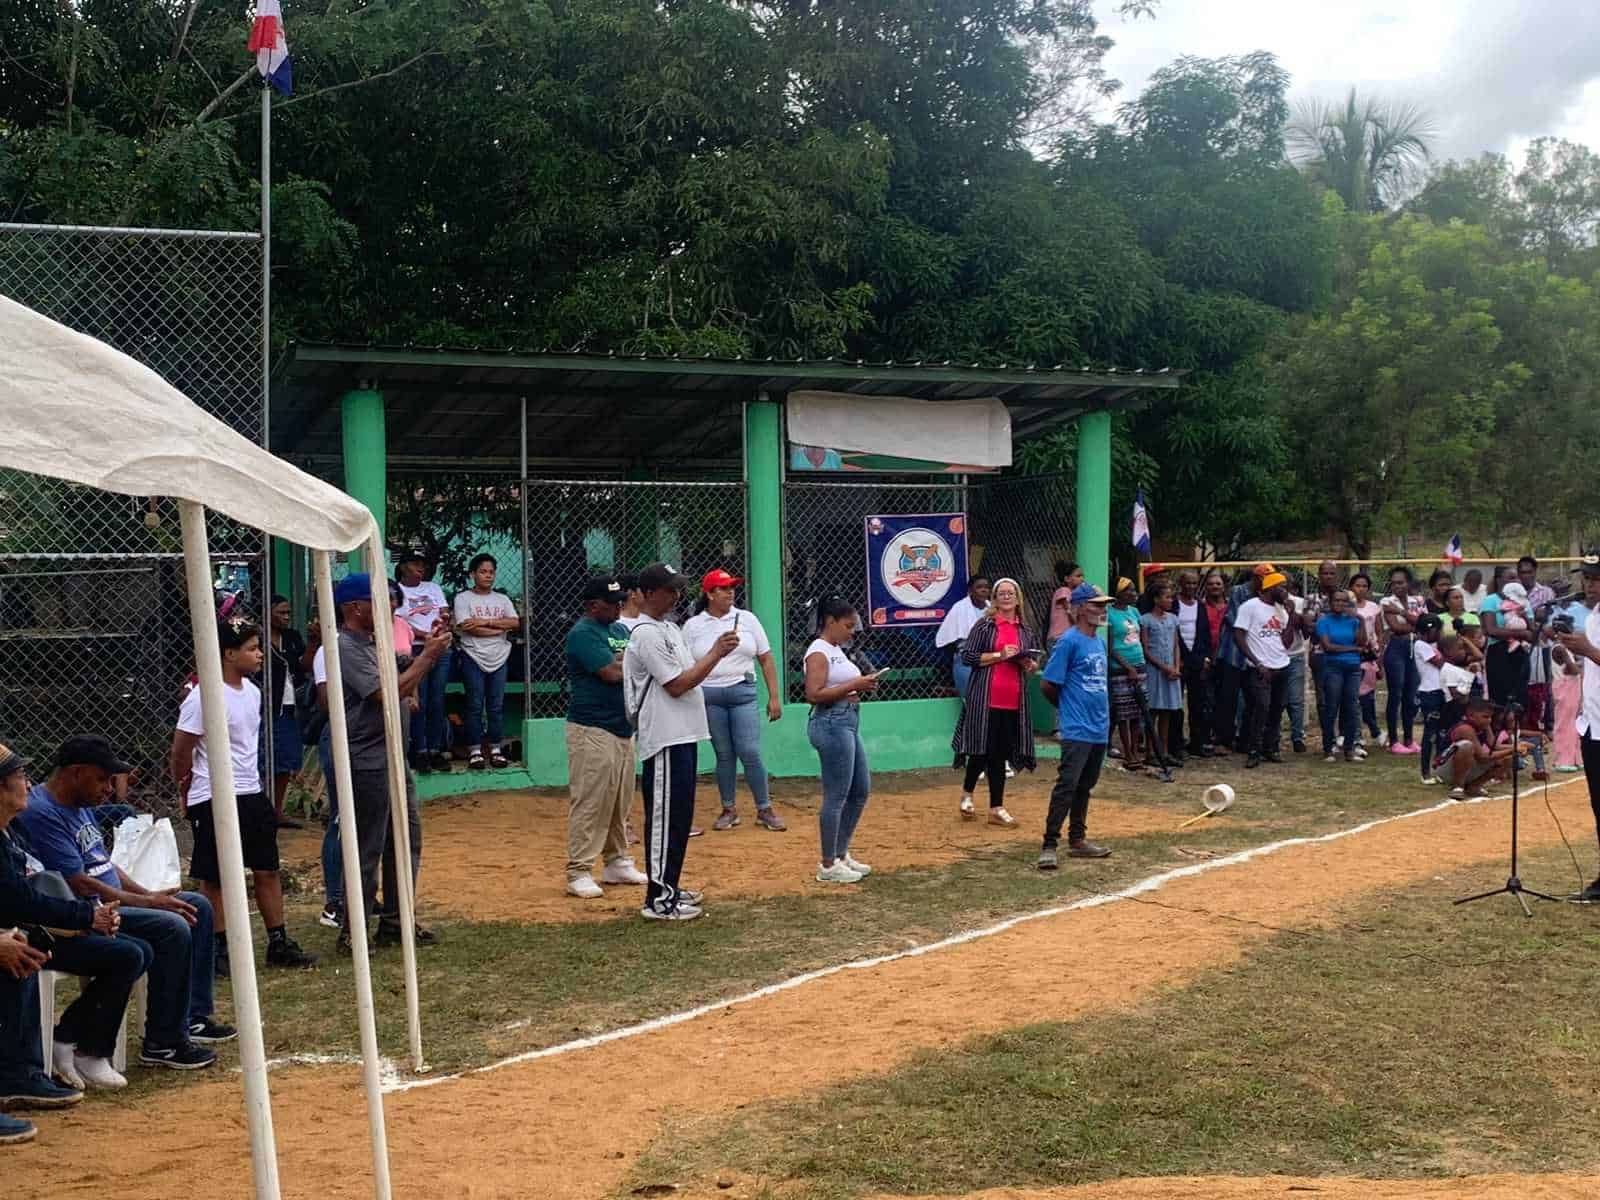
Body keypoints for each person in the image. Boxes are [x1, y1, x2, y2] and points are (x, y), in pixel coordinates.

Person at [18, 735, 226, 1070]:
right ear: (76, 772)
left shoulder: (80, 807)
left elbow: (104, 865)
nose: (110, 789)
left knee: (196, 905)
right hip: (86, 914)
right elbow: (80, 882)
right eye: (102, 779)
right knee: (172, 925)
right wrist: (148, 904)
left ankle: (192, 1018)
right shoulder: (43, 813)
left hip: (114, 902)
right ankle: (164, 1041)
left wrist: (148, 896)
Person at [172, 616, 318, 977]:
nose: (259, 655)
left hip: (250, 791)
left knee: (266, 868)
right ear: (228, 652)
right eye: (252, 649)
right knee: (216, 876)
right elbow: (181, 750)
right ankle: (219, 947)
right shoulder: (203, 696)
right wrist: (185, 788)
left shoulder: (252, 693)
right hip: (213, 794)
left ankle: (278, 940)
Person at [1, 740, 134, 1102]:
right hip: (37, 925)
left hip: (41, 924)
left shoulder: (10, 833)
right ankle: (25, 1069)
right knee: (23, 953)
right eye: (20, 777)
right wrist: (87, 916)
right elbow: (21, 899)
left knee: (129, 950)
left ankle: (36, 1064)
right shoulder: (34, 819)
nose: (28, 785)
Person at [333, 574, 450, 951]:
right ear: (356, 608)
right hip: (368, 760)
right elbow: (387, 693)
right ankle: (354, 931)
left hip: (394, 758)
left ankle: (396, 922)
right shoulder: (346, 648)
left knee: (406, 841)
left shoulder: (374, 643)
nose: (392, 608)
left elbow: (405, 667)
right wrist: (428, 659)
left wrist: (428, 648)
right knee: (369, 846)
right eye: (381, 601)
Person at [623, 563, 738, 919]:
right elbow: (677, 683)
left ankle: (669, 886)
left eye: (677, 589)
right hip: (665, 736)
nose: (676, 595)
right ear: (649, 593)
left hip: (683, 733)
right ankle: (658, 900)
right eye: (669, 589)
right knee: (663, 820)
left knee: (679, 818)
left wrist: (715, 656)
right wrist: (716, 653)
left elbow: (689, 674)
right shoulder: (646, 634)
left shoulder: (669, 629)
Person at [562, 577, 649, 899]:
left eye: (620, 601)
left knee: (619, 801)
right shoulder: (583, 633)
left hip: (622, 727)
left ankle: (617, 860)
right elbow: (611, 673)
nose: (619, 606)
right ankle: (578, 870)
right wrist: (633, 664)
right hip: (591, 728)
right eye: (612, 602)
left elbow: (630, 665)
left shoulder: (619, 631)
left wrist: (629, 663)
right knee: (591, 801)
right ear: (592, 604)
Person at [683, 569, 786, 833]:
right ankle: (729, 809)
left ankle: (764, 808)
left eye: (732, 587)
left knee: (749, 750)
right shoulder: (694, 626)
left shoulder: (747, 619)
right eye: (723, 588)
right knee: (724, 754)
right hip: (709, 695)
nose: (730, 592)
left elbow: (765, 657)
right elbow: (684, 663)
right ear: (709, 594)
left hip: (742, 691)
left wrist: (774, 696)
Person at [803, 596, 882, 884]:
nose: (852, 632)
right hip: (832, 722)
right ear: (830, 622)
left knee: (860, 789)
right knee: (836, 795)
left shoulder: (836, 649)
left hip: (847, 720)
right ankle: (827, 864)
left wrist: (863, 684)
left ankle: (840, 853)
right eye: (848, 626)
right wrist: (855, 684)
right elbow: (813, 693)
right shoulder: (818, 651)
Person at [1038, 583, 1116, 867]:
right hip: (1077, 727)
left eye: (1104, 605)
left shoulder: (1098, 641)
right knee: (1067, 784)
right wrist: (1068, 709)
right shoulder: (1069, 641)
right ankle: (1049, 844)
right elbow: (1048, 684)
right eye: (1097, 605)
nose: (1102, 609)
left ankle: (1078, 839)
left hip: (1098, 727)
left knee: (1085, 785)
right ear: (1081, 608)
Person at [951, 578, 1039, 825]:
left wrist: (1029, 664)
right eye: (1001, 593)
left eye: (1011, 592)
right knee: (981, 749)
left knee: (1000, 754)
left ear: (1018, 597)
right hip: (985, 697)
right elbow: (968, 655)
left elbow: (1033, 661)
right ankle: (967, 795)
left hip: (1013, 699)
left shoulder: (1025, 630)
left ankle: (996, 808)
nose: (1006, 596)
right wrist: (999, 656)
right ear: (995, 598)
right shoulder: (985, 625)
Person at [1555, 555, 1600, 899]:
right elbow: (1588, 670)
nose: (1590, 584)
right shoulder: (1594, 618)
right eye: (1586, 577)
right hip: (1593, 726)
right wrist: (1570, 656)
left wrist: (1588, 649)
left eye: (1596, 578)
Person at [454, 553, 520, 770]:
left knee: (496, 705)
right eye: (483, 571)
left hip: (500, 657)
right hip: (473, 655)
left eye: (491, 572)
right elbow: (466, 627)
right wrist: (498, 628)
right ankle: (474, 750)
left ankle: (495, 749)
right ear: (473, 574)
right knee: (474, 703)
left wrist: (485, 622)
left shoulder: (502, 599)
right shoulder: (463, 598)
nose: (488, 576)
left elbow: (514, 622)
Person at [394, 550, 453, 773]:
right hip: (414, 649)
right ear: (403, 566)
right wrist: (426, 636)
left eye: (423, 563)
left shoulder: (433, 588)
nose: (421, 566)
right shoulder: (396, 591)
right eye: (415, 563)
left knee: (437, 700)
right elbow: (400, 622)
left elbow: (444, 612)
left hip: (439, 648)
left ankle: (435, 750)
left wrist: (442, 623)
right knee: (420, 700)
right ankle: (419, 750)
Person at [1234, 571, 1294, 769]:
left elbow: (1286, 642)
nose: (1285, 592)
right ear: (1271, 588)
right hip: (1260, 668)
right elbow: (1239, 635)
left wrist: (1291, 616)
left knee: (1277, 709)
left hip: (1282, 665)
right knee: (1261, 708)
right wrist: (1257, 662)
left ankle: (1271, 747)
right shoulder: (1250, 606)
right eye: (1282, 587)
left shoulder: (1281, 610)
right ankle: (1253, 750)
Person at [1214, 565, 1273, 754]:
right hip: (1233, 654)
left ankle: (1246, 740)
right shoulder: (1240, 591)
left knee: (1253, 700)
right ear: (1256, 578)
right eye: (1265, 578)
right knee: (1228, 699)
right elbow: (1236, 620)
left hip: (1254, 656)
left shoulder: (1268, 597)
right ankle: (1225, 740)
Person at [265, 595, 312, 828]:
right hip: (264, 705)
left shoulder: (291, 638)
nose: (285, 617)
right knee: (263, 758)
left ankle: (277, 810)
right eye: (280, 612)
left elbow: (304, 665)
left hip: (289, 703)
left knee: (286, 759)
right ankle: (261, 809)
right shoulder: (257, 638)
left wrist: (314, 643)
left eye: (287, 613)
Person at [1314, 589, 1365, 763]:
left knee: (1351, 708)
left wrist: (1362, 621)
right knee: (1331, 708)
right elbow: (1328, 646)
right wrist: (1352, 649)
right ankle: (1328, 747)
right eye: (1337, 600)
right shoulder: (1324, 621)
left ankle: (1349, 748)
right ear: (1331, 601)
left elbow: (1362, 642)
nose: (1340, 604)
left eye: (1344, 601)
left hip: (1353, 668)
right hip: (1333, 667)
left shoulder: (1352, 621)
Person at [1380, 567, 1427, 754]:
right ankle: (1393, 739)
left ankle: (1409, 738)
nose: (1397, 586)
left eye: (1400, 582)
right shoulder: (1386, 601)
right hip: (1396, 648)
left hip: (1413, 649)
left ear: (1408, 583)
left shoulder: (1418, 600)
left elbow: (1425, 624)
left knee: (1410, 694)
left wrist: (1402, 612)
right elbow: (1395, 627)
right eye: (1393, 583)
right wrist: (1414, 623)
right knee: (1396, 693)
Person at [1140, 582, 1184, 766]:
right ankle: (1150, 752)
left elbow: (1175, 645)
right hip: (1155, 671)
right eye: (1166, 597)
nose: (1170, 600)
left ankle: (1163, 751)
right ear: (1156, 599)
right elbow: (1146, 649)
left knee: (1167, 711)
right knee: (1153, 711)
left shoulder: (1173, 619)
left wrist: (1175, 667)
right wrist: (1164, 668)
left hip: (1171, 671)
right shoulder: (1145, 620)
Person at [1106, 578, 1146, 770]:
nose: (1133, 593)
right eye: (1129, 590)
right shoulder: (1110, 614)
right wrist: (1127, 667)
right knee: (1124, 712)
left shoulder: (1134, 611)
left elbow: (1141, 637)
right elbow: (1111, 647)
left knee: (1138, 711)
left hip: (1139, 664)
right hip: (1120, 668)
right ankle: (1127, 753)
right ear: (1120, 593)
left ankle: (1135, 750)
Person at [1439, 700, 1515, 800]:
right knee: (1466, 746)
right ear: (1471, 716)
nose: (1489, 720)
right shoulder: (1465, 729)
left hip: (1465, 767)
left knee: (1506, 757)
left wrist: (1518, 746)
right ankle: (1457, 787)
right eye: (1485, 717)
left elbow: (1494, 746)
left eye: (1490, 717)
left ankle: (1474, 787)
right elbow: (1482, 757)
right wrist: (1512, 749)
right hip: (1445, 770)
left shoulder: (1484, 726)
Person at [1190, 569, 1228, 757]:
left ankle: (1221, 739)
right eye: (1211, 584)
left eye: (1218, 584)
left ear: (1223, 587)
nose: (1214, 587)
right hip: (1206, 659)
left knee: (1224, 702)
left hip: (1226, 660)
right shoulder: (1200, 607)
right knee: (1206, 701)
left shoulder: (1230, 607)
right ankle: (1203, 739)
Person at [935, 576, 992, 700]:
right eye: (979, 587)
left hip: (991, 659)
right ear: (970, 590)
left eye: (986, 587)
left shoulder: (993, 609)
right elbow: (947, 638)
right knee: (972, 699)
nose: (983, 590)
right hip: (967, 660)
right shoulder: (959, 608)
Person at [1484, 576, 1535, 709]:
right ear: (1500, 580)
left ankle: (1516, 728)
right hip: (1499, 652)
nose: (1516, 581)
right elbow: (1491, 630)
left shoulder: (1524, 602)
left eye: (1517, 578)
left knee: (1520, 696)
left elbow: (1532, 632)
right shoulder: (1491, 600)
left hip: (1521, 652)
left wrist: (1523, 616)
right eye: (1511, 577)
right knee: (1500, 698)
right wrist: (1521, 634)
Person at [1349, 572, 1383, 752]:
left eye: (1364, 586)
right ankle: (1357, 735)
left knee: (1367, 696)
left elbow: (1379, 632)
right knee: (1353, 697)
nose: (1360, 589)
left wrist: (1379, 656)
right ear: (1351, 588)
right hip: (1354, 654)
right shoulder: (1347, 607)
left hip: (1370, 655)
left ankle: (1373, 730)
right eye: (1357, 585)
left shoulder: (1373, 607)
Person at [1412, 615, 1447, 783]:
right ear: (1431, 630)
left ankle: (1439, 769)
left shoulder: (1431, 645)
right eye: (1438, 631)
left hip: (1440, 690)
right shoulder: (1420, 645)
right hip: (1429, 692)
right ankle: (1425, 772)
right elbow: (1440, 663)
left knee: (1441, 733)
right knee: (1430, 733)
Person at [1046, 561, 1083, 652]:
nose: (1082, 579)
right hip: (1059, 638)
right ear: (1067, 579)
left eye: (1082, 576)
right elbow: (1070, 612)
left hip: (1064, 638)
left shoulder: (1073, 594)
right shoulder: (1064, 591)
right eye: (1078, 576)